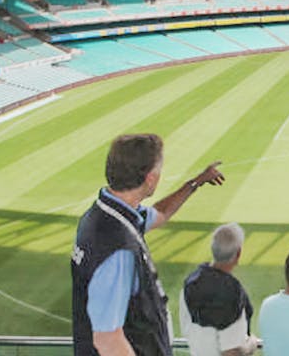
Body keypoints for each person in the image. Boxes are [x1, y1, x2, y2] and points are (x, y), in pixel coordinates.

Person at [71, 133, 225, 356]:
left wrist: (196, 182)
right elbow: (108, 340)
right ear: (151, 179)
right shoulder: (118, 248)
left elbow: (160, 213)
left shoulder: (109, 215)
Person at [179, 223, 257, 356]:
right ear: (238, 254)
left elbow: (188, 330)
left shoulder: (189, 285)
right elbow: (231, 353)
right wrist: (251, 344)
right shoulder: (233, 294)